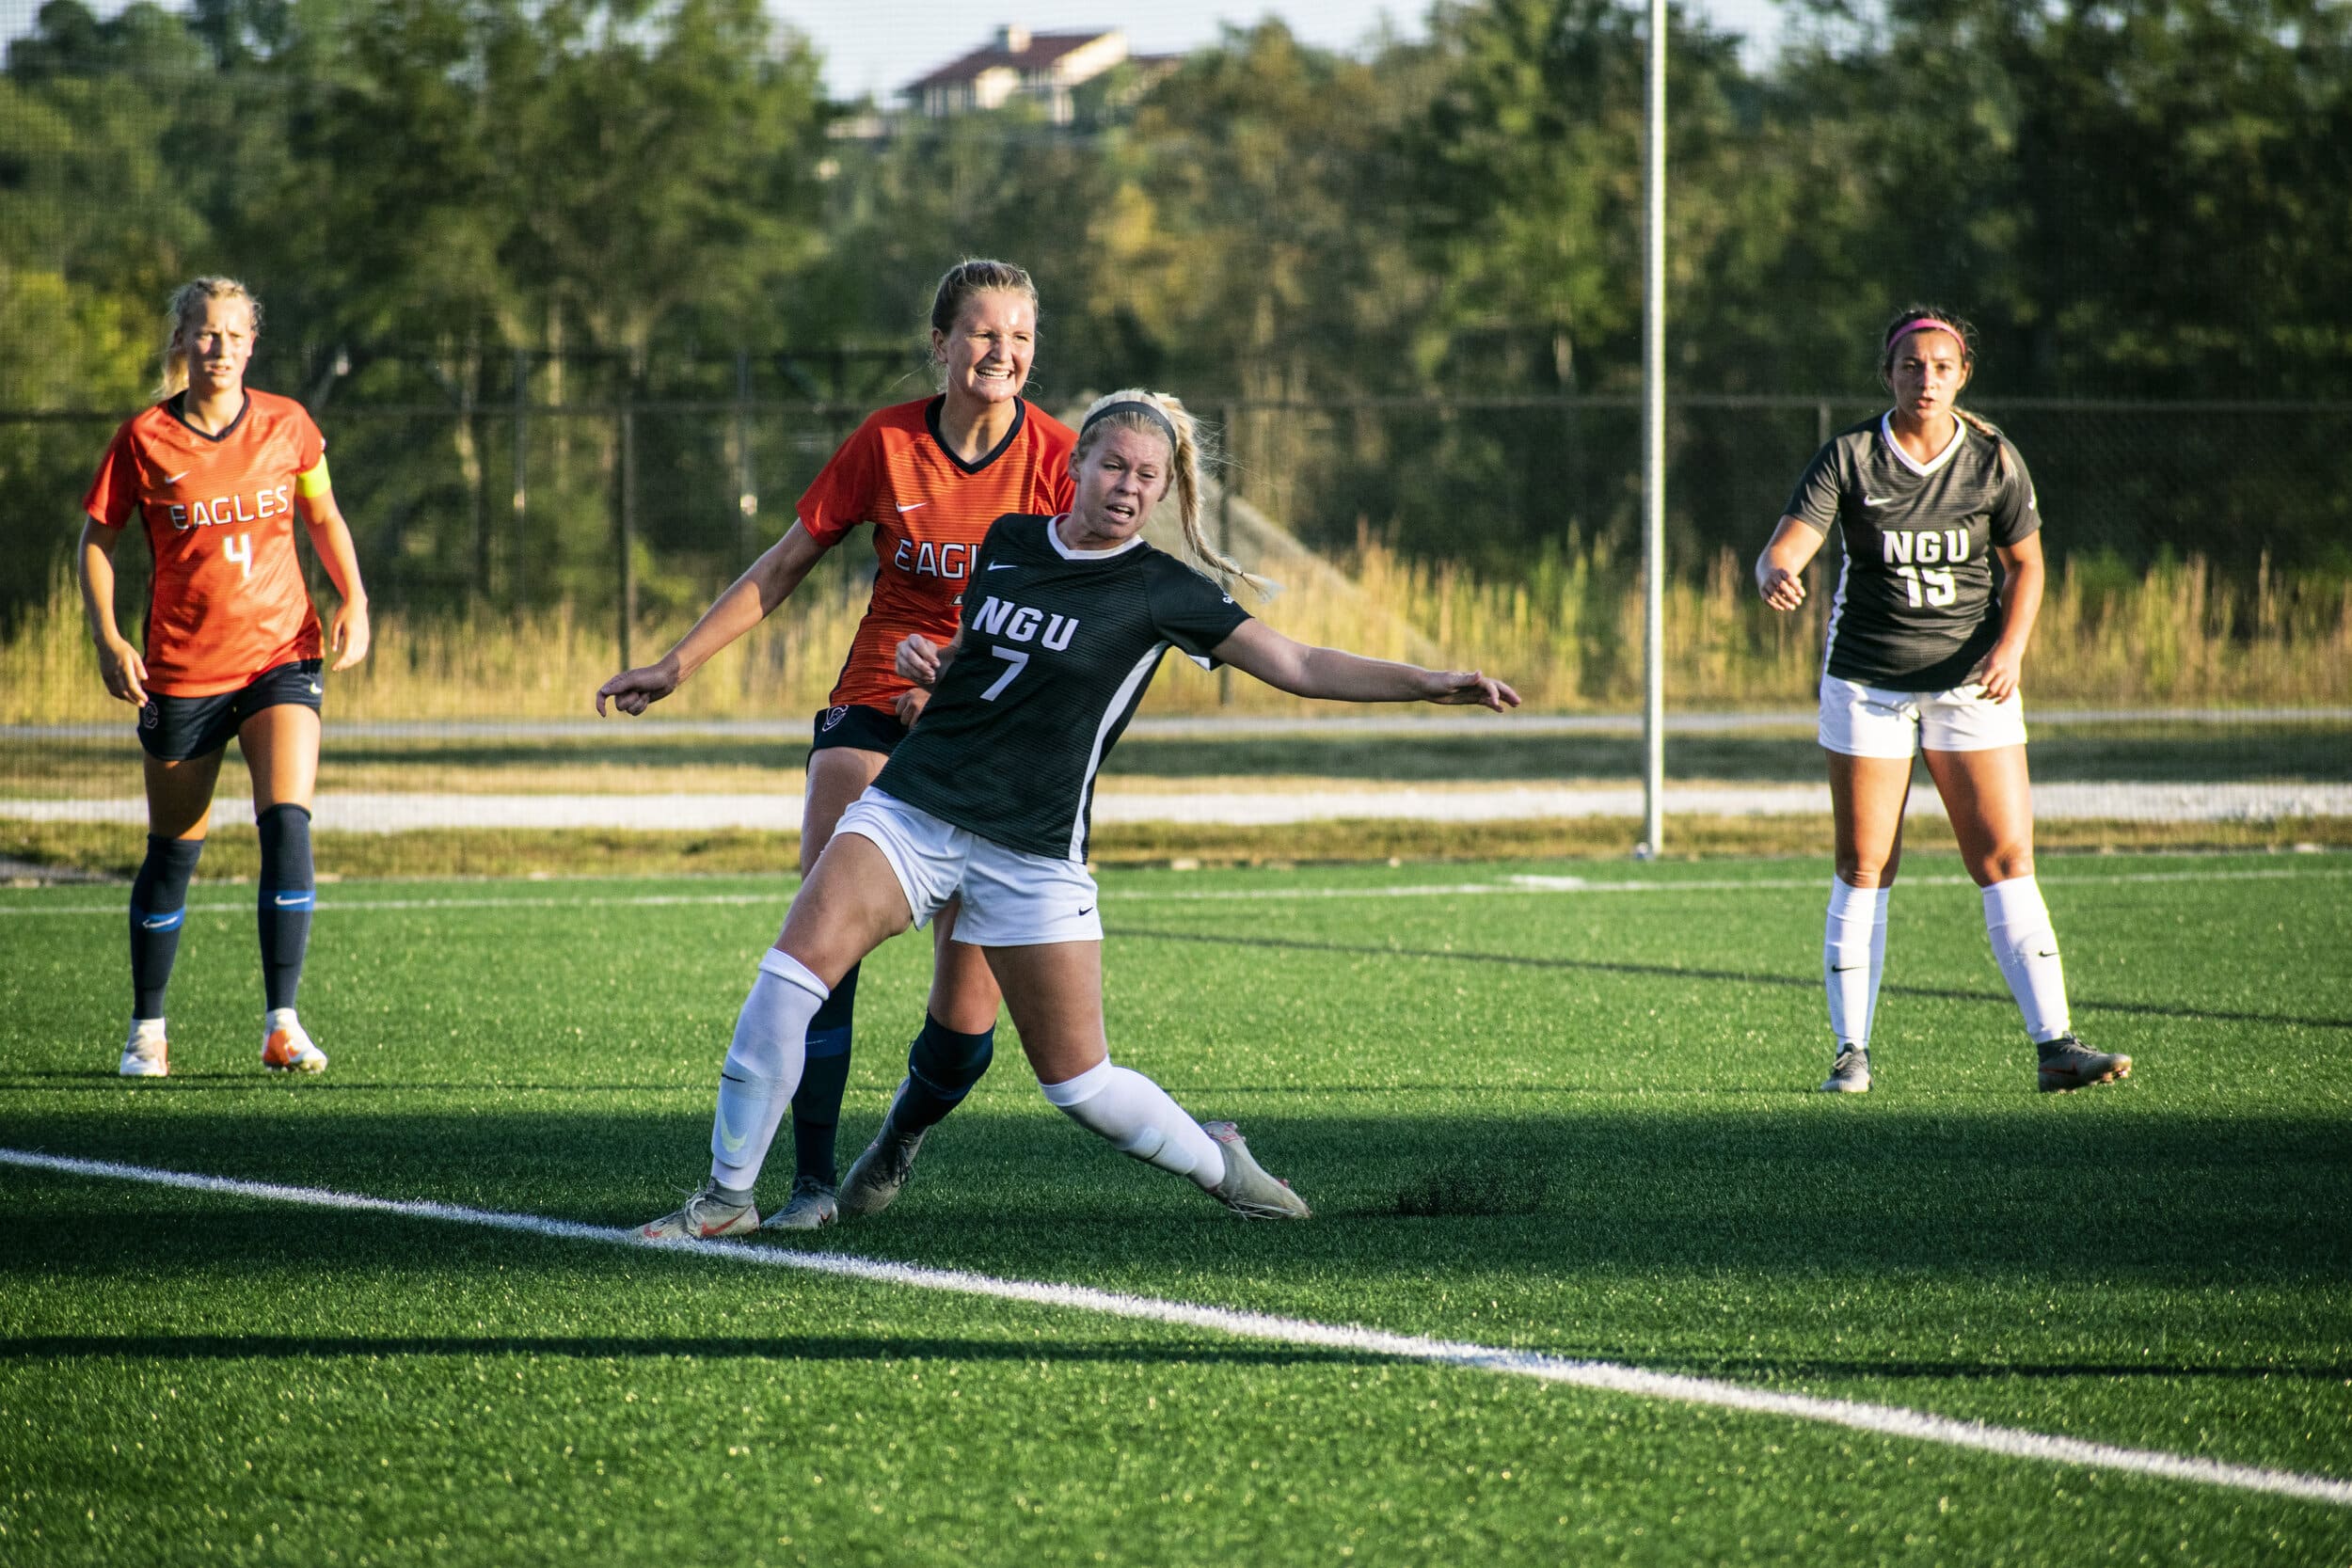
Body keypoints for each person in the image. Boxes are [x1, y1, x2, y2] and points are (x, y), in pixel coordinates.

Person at [636, 388, 1519, 1238]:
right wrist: (934, 661)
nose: (1128, 488)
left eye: (1147, 477)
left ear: (1163, 492)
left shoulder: (1162, 590)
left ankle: (1226, 1168)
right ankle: (727, 1196)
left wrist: (1429, 683)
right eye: (1113, 467)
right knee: (788, 981)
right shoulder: (1011, 541)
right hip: (917, 806)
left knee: (1082, 1087)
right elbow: (981, 656)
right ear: (1078, 466)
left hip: (1033, 849)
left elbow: (1299, 661)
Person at [597, 261, 1077, 1229]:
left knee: (967, 1021)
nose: (1002, 352)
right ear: (939, 344)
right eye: (982, 333)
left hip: (990, 731)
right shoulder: (886, 441)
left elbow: (1071, 616)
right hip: (873, 702)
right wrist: (676, 662)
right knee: (823, 943)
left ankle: (899, 1133)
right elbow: (782, 565)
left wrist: (965, 680)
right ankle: (808, 1183)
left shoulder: (1060, 456)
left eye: (1019, 336)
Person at [1754, 306, 2129, 1096]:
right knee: (1865, 863)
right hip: (1868, 682)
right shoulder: (1852, 454)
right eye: (1910, 365)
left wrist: (2012, 648)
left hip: (1971, 683)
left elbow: (2026, 565)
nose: (1925, 378)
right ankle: (1850, 1053)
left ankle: (2056, 1046)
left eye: (1941, 366)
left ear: (1963, 376)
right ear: (1887, 374)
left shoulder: (1992, 458)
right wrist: (1774, 571)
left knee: (2005, 859)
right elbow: (1787, 542)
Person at [78, 277, 372, 1079]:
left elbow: (323, 514)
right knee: (175, 850)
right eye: (206, 334)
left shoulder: (289, 425)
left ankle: (282, 1020)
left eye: (235, 335)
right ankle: (148, 1026)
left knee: (288, 822)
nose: (220, 348)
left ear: (252, 343)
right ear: (184, 340)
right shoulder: (144, 438)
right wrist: (108, 638)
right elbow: (96, 542)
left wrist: (355, 597)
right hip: (182, 668)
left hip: (282, 651)